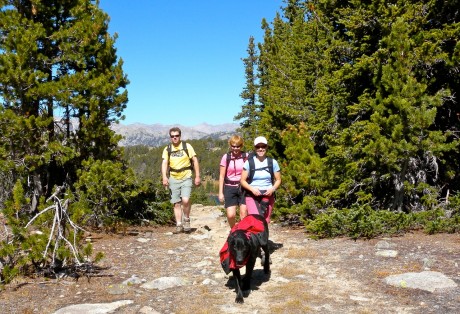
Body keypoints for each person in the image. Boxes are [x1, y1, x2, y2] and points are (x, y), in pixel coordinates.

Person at [161, 127, 201, 233]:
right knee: (176, 203)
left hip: (186, 176)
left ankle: (186, 219)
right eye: (172, 136)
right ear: (170, 137)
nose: (175, 138)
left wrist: (197, 176)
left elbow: (195, 160)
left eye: (176, 136)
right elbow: (164, 163)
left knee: (186, 200)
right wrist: (164, 177)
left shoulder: (187, 147)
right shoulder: (167, 149)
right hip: (173, 177)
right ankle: (179, 224)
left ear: (180, 136)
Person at [240, 136, 281, 224]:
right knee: (256, 219)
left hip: (268, 194)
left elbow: (278, 180)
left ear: (266, 147)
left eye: (263, 146)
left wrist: (272, 189)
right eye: (258, 147)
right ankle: (256, 237)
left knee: (266, 221)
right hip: (252, 194)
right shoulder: (249, 162)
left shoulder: (273, 162)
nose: (260, 149)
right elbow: (242, 180)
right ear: (255, 148)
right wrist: (252, 189)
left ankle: (263, 238)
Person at [218, 135, 248, 228]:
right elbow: (222, 176)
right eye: (233, 146)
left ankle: (243, 234)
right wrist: (220, 193)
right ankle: (234, 230)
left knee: (243, 214)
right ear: (230, 145)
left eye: (238, 146)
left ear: (241, 146)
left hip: (243, 187)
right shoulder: (226, 157)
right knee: (231, 215)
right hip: (229, 187)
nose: (235, 148)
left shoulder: (245, 156)